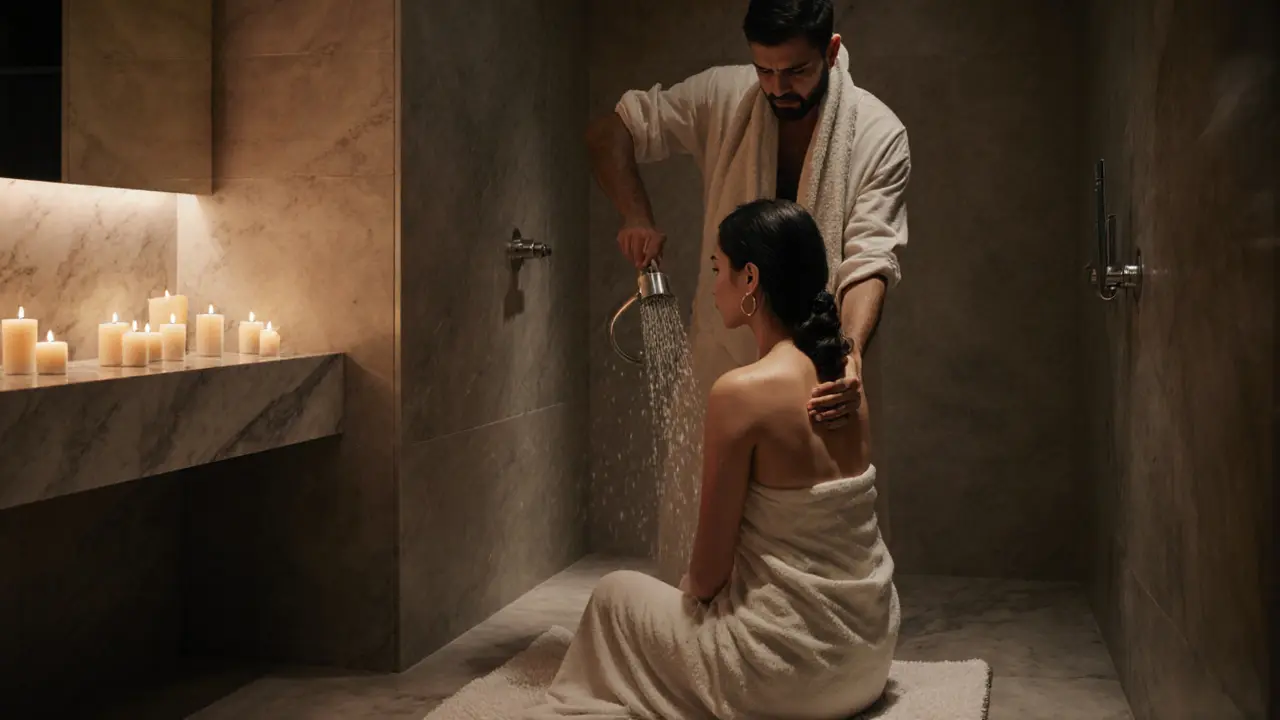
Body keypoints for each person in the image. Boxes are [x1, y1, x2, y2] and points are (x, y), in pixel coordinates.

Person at [526, 199, 899, 720]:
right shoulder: (846, 382)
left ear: (750, 279)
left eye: (717, 269)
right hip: (867, 656)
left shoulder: (740, 393)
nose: (714, 284)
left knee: (614, 595)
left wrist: (694, 602)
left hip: (790, 675)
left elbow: (707, 576)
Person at [588, 0, 909, 546]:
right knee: (701, 529)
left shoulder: (878, 134)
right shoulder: (724, 94)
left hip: (818, 369)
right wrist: (635, 214)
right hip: (724, 350)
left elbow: (870, 258)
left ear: (831, 51)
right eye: (765, 70)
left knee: (812, 530)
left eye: (796, 71)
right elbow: (609, 131)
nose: (778, 87)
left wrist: (849, 354)